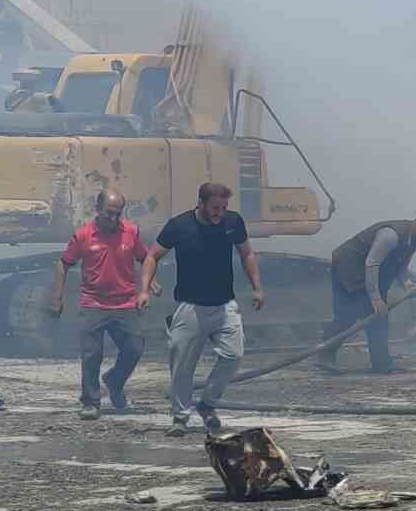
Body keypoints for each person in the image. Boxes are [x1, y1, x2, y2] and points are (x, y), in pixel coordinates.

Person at [139, 182, 265, 437]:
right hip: (190, 307)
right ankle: (180, 417)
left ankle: (207, 403)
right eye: (215, 208)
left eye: (224, 207)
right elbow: (152, 255)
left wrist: (257, 287)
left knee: (233, 356)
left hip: (224, 304)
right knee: (182, 365)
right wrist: (143, 290)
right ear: (201, 203)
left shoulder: (233, 222)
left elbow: (247, 253)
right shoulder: (180, 226)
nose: (220, 212)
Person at [49, 190, 151, 419]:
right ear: (97, 209)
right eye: (108, 214)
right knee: (91, 354)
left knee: (134, 348)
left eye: (117, 214)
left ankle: (114, 381)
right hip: (93, 303)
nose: (113, 219)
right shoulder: (83, 235)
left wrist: (148, 285)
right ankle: (91, 402)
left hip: (125, 303)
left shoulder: (131, 233)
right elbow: (63, 264)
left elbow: (146, 259)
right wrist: (57, 295)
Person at [317, 212, 416, 373]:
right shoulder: (390, 235)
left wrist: (408, 285)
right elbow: (372, 263)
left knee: (380, 317)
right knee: (347, 315)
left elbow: (401, 267)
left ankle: (381, 363)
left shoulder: (414, 240)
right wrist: (375, 298)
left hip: (371, 272)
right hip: (349, 268)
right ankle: (325, 355)